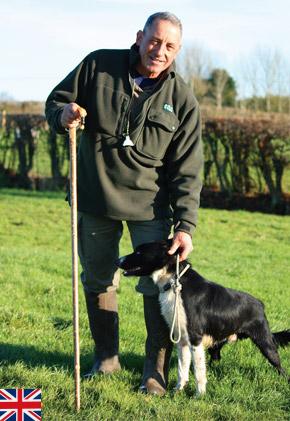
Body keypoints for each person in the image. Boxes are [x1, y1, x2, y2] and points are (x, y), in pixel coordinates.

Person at [45, 12, 203, 396]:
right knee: (98, 277)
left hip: (150, 209)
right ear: (140, 37)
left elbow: (187, 169)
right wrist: (63, 115)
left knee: (161, 288)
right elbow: (56, 102)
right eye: (154, 41)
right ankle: (106, 359)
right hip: (94, 197)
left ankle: (156, 371)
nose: (159, 51)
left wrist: (184, 226)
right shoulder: (98, 64)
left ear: (177, 51)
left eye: (169, 46)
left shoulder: (182, 99)